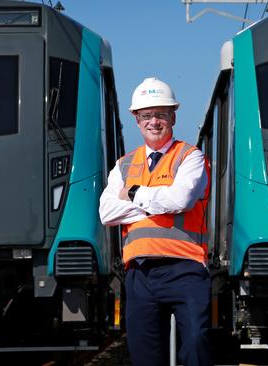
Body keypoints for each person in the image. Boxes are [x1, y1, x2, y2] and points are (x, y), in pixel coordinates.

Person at [99, 77, 211, 366]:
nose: (154, 121)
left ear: (173, 116)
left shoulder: (190, 157)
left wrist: (134, 193)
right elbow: (107, 213)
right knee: (145, 355)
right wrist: (157, 205)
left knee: (197, 344)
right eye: (146, 115)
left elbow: (181, 200)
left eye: (160, 114)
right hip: (140, 274)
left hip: (185, 268)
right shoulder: (123, 165)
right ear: (136, 120)